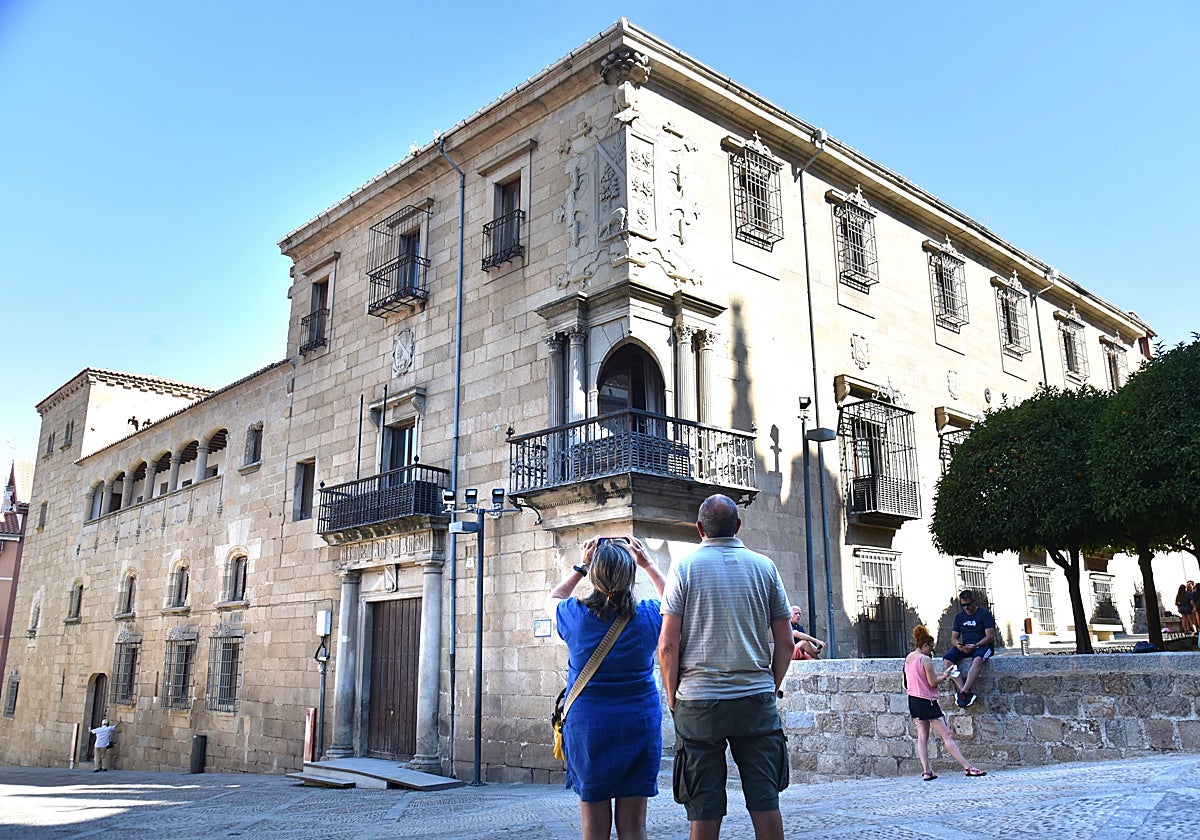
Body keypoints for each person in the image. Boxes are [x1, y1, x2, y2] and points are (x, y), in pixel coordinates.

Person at [659, 494, 793, 840]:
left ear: (699, 528)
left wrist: (672, 696)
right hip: (755, 701)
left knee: (703, 808)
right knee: (766, 802)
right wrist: (770, 686)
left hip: (698, 703)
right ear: (738, 526)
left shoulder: (684, 567)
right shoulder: (765, 567)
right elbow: (786, 643)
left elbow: (667, 644)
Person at [548, 536, 666, 840]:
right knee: (634, 827)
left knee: (594, 829)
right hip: (638, 724)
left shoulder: (575, 615)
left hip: (589, 727)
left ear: (594, 576)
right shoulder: (649, 615)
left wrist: (581, 566)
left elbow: (553, 598)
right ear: (631, 576)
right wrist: (648, 564)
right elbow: (674, 602)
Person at [904, 625, 985, 780]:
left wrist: (943, 674)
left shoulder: (909, 657)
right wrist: (946, 676)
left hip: (913, 700)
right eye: (931, 647)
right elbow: (933, 682)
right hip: (927, 701)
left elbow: (908, 681)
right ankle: (968, 767)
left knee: (922, 736)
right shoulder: (925, 659)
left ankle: (926, 771)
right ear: (925, 645)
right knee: (947, 735)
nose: (932, 651)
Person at [943, 590, 995, 708]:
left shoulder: (984, 614)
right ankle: (964, 691)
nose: (966, 608)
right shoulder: (959, 617)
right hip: (965, 646)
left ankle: (964, 692)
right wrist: (959, 646)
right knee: (947, 661)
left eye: (968, 604)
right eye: (963, 605)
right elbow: (954, 638)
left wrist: (976, 645)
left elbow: (990, 636)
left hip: (982, 646)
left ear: (974, 601)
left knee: (978, 660)